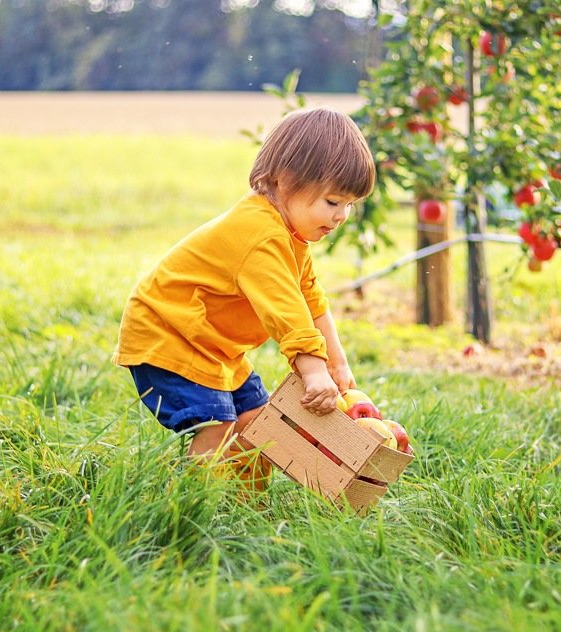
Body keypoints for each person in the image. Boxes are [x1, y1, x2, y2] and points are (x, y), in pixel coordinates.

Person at [112, 107, 375, 489]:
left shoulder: (290, 237)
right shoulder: (261, 234)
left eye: (350, 205)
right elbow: (286, 309)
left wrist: (337, 364)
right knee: (218, 424)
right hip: (168, 333)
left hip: (212, 346)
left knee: (257, 418)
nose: (341, 217)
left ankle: (246, 504)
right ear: (285, 182)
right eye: (332, 202)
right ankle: (193, 504)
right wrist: (313, 370)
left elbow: (311, 299)